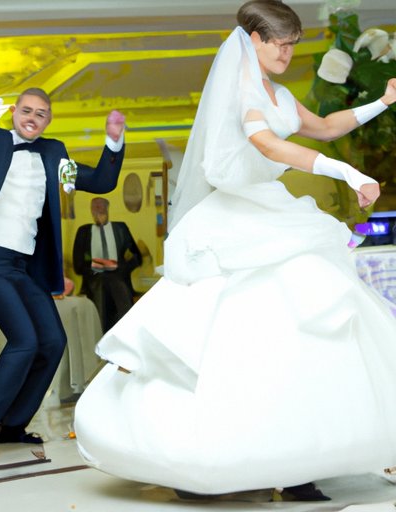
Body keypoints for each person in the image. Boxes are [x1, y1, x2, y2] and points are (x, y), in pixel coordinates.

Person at [74, 0, 396, 501]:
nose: (288, 53)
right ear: (254, 41)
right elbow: (268, 145)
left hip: (273, 209)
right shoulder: (242, 91)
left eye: (292, 44)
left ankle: (299, 459)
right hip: (235, 218)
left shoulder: (280, 94)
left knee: (299, 330)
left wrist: (384, 101)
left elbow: (327, 126)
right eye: (280, 44)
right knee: (241, 335)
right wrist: (347, 172)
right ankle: (228, 458)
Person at [0, 88, 125, 458]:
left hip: (23, 267)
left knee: (53, 341)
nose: (32, 118)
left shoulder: (53, 153)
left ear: (48, 120)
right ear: (14, 111)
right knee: (25, 340)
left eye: (41, 113)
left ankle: (12, 426)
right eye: (26, 110)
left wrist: (113, 143)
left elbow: (100, 182)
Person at [73, 197, 142, 332]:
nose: (97, 210)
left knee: (120, 298)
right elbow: (78, 265)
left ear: (107, 208)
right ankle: (102, 335)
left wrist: (121, 268)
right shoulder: (84, 232)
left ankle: (126, 332)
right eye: (94, 207)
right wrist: (98, 266)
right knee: (101, 296)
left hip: (118, 276)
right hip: (94, 278)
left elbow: (137, 257)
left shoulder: (120, 228)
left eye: (100, 206)